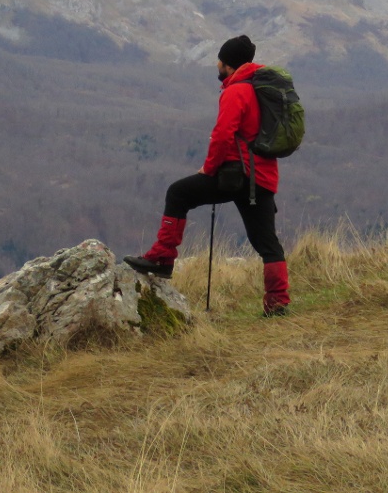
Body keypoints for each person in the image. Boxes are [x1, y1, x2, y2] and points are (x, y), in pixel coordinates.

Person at [123, 35, 291, 317]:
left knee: (178, 193)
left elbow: (223, 134)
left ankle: (163, 257)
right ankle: (277, 304)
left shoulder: (236, 92)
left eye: (220, 60)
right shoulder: (261, 88)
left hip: (236, 176)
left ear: (227, 64)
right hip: (262, 177)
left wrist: (209, 168)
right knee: (267, 243)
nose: (217, 64)